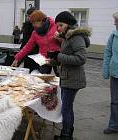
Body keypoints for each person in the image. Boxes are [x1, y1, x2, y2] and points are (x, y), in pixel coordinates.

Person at [48, 11, 91, 140]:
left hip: (73, 79)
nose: (58, 28)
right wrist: (53, 59)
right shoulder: (68, 36)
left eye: (61, 25)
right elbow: (67, 57)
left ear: (69, 24)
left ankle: (67, 135)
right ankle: (66, 133)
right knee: (67, 107)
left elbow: (81, 58)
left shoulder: (76, 37)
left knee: (66, 108)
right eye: (57, 26)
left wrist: (59, 56)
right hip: (67, 77)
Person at [11, 10, 60, 74]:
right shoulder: (35, 33)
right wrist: (17, 58)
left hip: (56, 58)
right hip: (43, 59)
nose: (33, 25)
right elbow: (28, 46)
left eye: (34, 22)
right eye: (32, 23)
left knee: (58, 79)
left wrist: (59, 38)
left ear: (40, 20)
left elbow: (64, 41)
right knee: (42, 79)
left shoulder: (55, 27)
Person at [102, 11, 118, 135]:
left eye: (117, 21)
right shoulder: (113, 36)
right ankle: (113, 125)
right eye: (115, 21)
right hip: (115, 74)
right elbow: (107, 53)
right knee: (114, 101)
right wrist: (106, 70)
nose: (115, 23)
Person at [20, 7, 39, 73]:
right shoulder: (27, 26)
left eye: (29, 16)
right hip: (28, 55)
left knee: (36, 74)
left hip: (37, 55)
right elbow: (25, 42)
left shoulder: (39, 27)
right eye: (27, 16)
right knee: (27, 73)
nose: (28, 18)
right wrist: (20, 56)